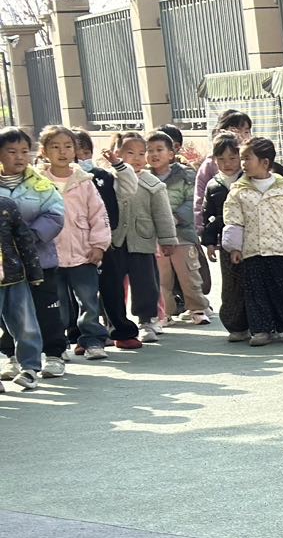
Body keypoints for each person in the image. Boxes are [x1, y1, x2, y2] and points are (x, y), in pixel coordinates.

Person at [220, 137, 283, 347]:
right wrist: (234, 247)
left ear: (265, 162)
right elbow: (234, 221)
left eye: (247, 158)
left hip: (281, 251)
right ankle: (261, 329)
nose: (243, 163)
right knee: (256, 293)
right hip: (252, 252)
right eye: (242, 158)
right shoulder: (238, 191)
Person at [38, 125, 112, 362]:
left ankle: (93, 340)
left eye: (68, 146)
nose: (62, 152)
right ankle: (57, 346)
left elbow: (98, 214)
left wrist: (99, 245)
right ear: (44, 151)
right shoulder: (38, 182)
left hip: (83, 252)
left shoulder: (84, 181)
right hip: (50, 255)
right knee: (55, 304)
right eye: (55, 147)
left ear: (75, 150)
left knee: (89, 300)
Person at [0, 128, 64, 382]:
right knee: (9, 315)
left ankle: (54, 355)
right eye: (11, 151)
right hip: (6, 267)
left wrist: (29, 236)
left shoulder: (40, 183)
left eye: (24, 151)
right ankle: (13, 357)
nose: (19, 157)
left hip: (40, 259)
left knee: (45, 310)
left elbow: (56, 214)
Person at [99, 132, 173, 347]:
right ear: (118, 153)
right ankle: (112, 323)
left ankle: (147, 321)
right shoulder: (108, 180)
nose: (138, 158)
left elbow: (162, 214)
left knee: (145, 283)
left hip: (142, 239)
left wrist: (167, 238)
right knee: (111, 284)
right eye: (130, 153)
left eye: (142, 153)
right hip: (114, 241)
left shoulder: (152, 183)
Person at [146, 130, 210, 326]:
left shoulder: (185, 174)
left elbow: (192, 201)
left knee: (189, 274)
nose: (154, 154)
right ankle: (165, 312)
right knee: (161, 277)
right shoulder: (143, 177)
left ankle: (198, 309)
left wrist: (175, 218)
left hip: (182, 233)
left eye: (159, 150)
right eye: (150, 150)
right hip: (156, 236)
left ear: (171, 153)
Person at [199, 133, 249, 342]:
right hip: (227, 243)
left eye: (232, 158)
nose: (227, 164)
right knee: (231, 285)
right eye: (221, 159)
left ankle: (260, 323)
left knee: (252, 282)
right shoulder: (213, 185)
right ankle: (236, 326)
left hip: (252, 241)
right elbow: (208, 216)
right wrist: (210, 243)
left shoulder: (249, 180)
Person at [0, 194, 43, 392]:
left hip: (13, 276)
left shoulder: (6, 204)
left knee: (25, 324)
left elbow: (24, 239)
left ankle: (30, 369)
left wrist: (34, 272)